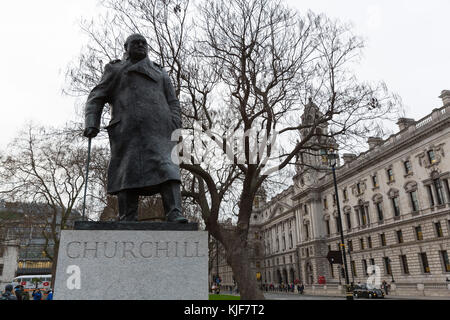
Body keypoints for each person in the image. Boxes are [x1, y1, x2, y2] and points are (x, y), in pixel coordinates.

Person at [83, 33, 187, 223]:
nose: (140, 45)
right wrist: (92, 122)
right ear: (126, 47)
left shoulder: (161, 73)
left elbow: (173, 102)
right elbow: (96, 97)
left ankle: (174, 213)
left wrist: (175, 124)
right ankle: (127, 217)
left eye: (143, 43)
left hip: (160, 131)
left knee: (168, 168)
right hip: (128, 132)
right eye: (135, 43)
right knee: (127, 173)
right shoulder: (116, 70)